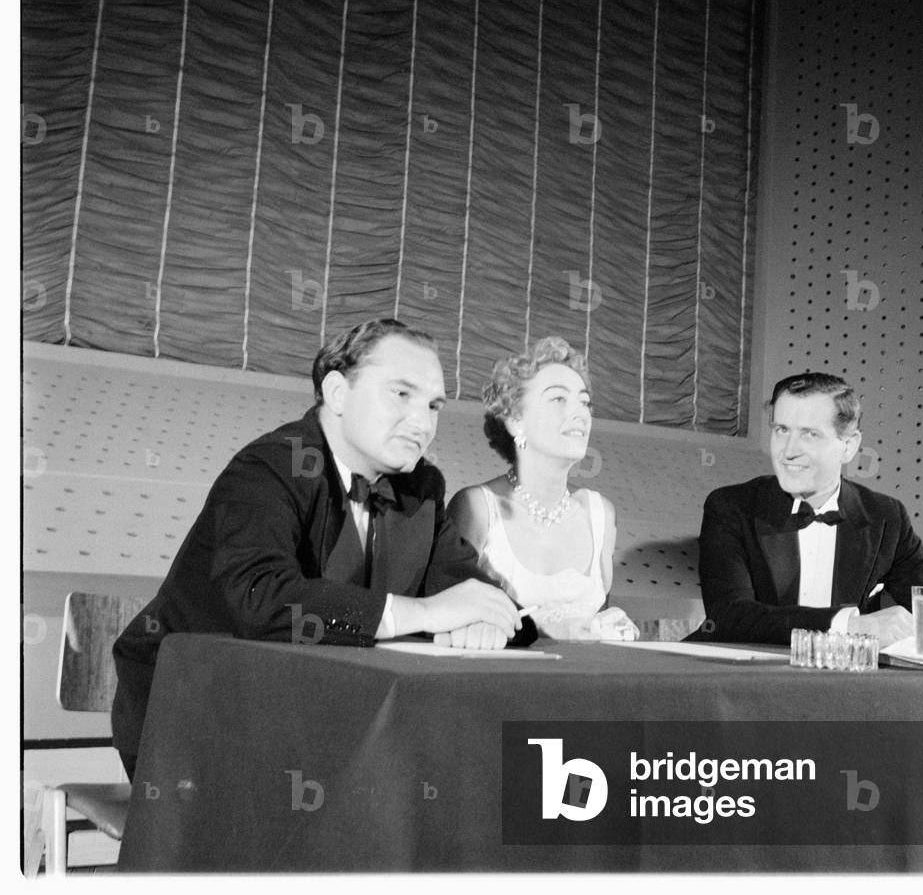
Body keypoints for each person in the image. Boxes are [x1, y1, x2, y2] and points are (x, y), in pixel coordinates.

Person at [112, 319, 531, 780]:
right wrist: (428, 614)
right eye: (400, 394)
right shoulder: (267, 467)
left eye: (433, 405)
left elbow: (478, 591)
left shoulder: (421, 486)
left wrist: (486, 620)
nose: (422, 422)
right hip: (197, 715)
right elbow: (261, 598)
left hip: (314, 721)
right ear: (336, 392)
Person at [695, 372, 923, 651]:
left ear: (848, 446)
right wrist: (851, 625)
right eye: (781, 430)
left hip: (845, 691)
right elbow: (729, 617)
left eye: (810, 434)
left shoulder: (884, 517)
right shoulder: (731, 507)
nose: (788, 451)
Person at [446, 336, 638, 642]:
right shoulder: (476, 507)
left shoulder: (601, 513)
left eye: (585, 402)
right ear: (514, 421)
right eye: (558, 399)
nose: (580, 413)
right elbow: (451, 618)